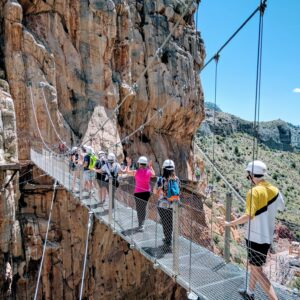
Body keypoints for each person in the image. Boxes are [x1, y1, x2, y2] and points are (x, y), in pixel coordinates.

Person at [224, 160, 284, 300]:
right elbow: (282, 207)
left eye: (248, 175)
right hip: (267, 238)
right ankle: (250, 292)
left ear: (251, 175)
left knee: (257, 270)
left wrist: (229, 223)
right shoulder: (275, 190)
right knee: (255, 266)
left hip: (254, 238)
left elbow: (248, 216)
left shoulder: (253, 192)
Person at [154, 159, 180, 253]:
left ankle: (167, 240)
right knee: (170, 222)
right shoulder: (176, 179)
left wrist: (161, 190)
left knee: (165, 222)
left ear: (163, 169)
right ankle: (169, 239)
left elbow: (154, 192)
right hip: (173, 204)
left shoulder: (160, 179)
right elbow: (178, 191)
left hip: (162, 205)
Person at [126, 156, 155, 231]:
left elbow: (127, 172)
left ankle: (140, 224)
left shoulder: (136, 172)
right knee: (143, 208)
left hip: (138, 192)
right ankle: (142, 224)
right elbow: (154, 174)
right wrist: (150, 166)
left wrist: (128, 164)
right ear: (145, 164)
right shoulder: (149, 171)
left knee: (139, 208)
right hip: (146, 192)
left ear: (139, 164)